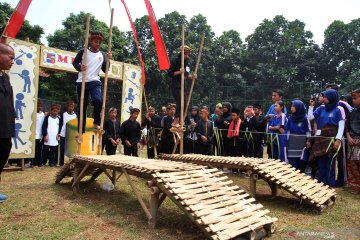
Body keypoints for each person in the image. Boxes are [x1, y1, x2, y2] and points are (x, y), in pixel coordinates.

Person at [72, 31, 112, 134]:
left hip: (95, 81)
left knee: (98, 101)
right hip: (82, 81)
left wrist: (108, 60)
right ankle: (81, 130)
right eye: (95, 42)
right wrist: (80, 67)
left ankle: (96, 123)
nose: (97, 44)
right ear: (91, 41)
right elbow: (75, 63)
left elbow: (105, 70)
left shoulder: (102, 54)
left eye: (99, 42)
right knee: (82, 105)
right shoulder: (83, 52)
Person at [310, 89, 344, 187]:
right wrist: (311, 106)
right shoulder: (321, 108)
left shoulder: (338, 109)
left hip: (332, 140)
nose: (323, 98)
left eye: (324, 96)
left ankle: (331, 185)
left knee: (330, 163)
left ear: (330, 98)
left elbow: (341, 125)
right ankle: (322, 184)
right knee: (321, 162)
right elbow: (310, 117)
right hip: (321, 140)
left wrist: (338, 140)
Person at [0, 43, 15, 202]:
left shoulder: (5, 77)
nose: (12, 61)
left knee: (2, 155)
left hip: (5, 127)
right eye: (10, 58)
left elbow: (9, 100)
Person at [168, 45, 196, 127]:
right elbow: (170, 73)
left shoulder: (187, 63)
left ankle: (181, 120)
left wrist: (192, 76)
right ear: (183, 53)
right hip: (176, 85)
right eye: (187, 53)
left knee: (185, 103)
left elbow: (187, 75)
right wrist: (179, 72)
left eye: (189, 53)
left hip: (184, 86)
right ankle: (175, 121)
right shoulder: (175, 61)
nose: (188, 55)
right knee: (180, 102)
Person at [286, 100, 311, 171]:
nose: (291, 108)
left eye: (293, 106)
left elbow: (308, 130)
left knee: (301, 163)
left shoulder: (305, 118)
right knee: (293, 165)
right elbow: (287, 131)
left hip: (302, 144)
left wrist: (308, 141)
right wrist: (286, 142)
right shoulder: (290, 118)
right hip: (292, 144)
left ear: (299, 107)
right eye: (291, 106)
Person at [346, 89, 360, 194]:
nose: (353, 101)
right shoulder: (352, 112)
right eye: (353, 98)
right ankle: (356, 187)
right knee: (352, 164)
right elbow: (347, 127)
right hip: (352, 141)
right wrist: (349, 138)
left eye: (355, 98)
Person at [59, 101, 76, 166]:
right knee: (62, 149)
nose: (71, 108)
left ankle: (71, 163)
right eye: (69, 106)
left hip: (71, 135)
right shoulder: (63, 114)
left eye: (72, 106)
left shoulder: (75, 115)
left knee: (71, 150)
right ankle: (61, 163)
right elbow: (60, 124)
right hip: (63, 134)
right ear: (67, 107)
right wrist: (59, 132)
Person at [32, 100, 45, 167]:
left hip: (40, 135)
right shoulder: (33, 113)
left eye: (41, 106)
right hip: (34, 134)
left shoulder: (42, 114)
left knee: (39, 149)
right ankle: (32, 162)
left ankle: (38, 162)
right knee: (33, 149)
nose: (39, 107)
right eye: (38, 106)